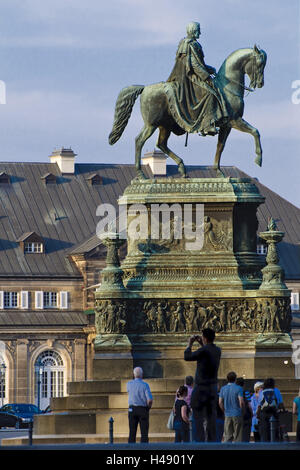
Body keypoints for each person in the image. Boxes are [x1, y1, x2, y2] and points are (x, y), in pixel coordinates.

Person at [166, 21, 229, 136]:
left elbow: (200, 64)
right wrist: (206, 76)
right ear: (193, 31)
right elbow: (194, 65)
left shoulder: (192, 44)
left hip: (194, 74)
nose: (200, 32)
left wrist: (210, 69)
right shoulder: (189, 44)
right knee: (210, 94)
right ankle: (207, 125)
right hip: (189, 78)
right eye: (198, 30)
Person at [184, 328, 221, 442]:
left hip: (201, 388)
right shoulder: (217, 350)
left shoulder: (204, 351)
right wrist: (202, 344)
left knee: (197, 417)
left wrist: (189, 344)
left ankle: (199, 442)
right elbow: (206, 352)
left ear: (204, 338)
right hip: (212, 388)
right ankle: (212, 442)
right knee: (211, 417)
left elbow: (187, 357)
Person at [126, 367, 153, 443]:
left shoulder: (128, 384)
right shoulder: (145, 385)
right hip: (142, 409)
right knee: (144, 432)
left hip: (132, 409)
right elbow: (150, 400)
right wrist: (148, 407)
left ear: (134, 375)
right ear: (142, 375)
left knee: (132, 432)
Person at [219, 371, 244, 442]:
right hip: (237, 413)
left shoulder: (223, 389)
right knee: (238, 436)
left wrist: (224, 411)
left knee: (227, 436)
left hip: (227, 414)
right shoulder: (239, 388)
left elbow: (220, 402)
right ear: (235, 379)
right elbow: (241, 402)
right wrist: (242, 410)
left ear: (227, 379)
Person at [257, 378, 281, 442]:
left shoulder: (261, 392)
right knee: (274, 432)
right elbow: (280, 403)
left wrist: (258, 414)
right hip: (273, 412)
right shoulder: (276, 390)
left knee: (264, 432)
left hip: (264, 414)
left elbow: (259, 405)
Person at [236, 377, 253, 442]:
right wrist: (252, 413)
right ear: (243, 384)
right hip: (246, 416)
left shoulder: (235, 393)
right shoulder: (246, 392)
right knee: (246, 434)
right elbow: (249, 405)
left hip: (236, 414)